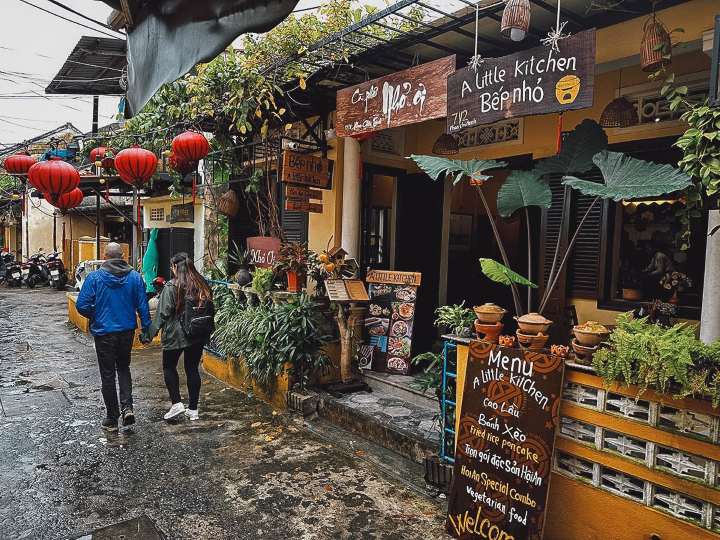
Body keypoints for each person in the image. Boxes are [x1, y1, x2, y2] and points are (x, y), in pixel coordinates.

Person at [76, 242, 151, 432]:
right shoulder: (135, 277)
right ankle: (127, 407)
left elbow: (82, 305)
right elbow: (143, 305)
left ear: (105, 255)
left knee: (107, 374)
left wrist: (96, 315)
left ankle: (112, 417)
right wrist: (146, 329)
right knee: (123, 368)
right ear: (123, 255)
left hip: (104, 333)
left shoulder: (94, 278)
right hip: (126, 332)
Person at [144, 253, 213, 421]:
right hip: (196, 334)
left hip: (175, 335)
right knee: (192, 369)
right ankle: (193, 410)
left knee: (169, 367)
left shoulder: (172, 286)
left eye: (172, 266)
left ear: (176, 267)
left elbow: (162, 314)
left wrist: (148, 335)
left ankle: (177, 404)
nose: (171, 269)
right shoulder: (201, 284)